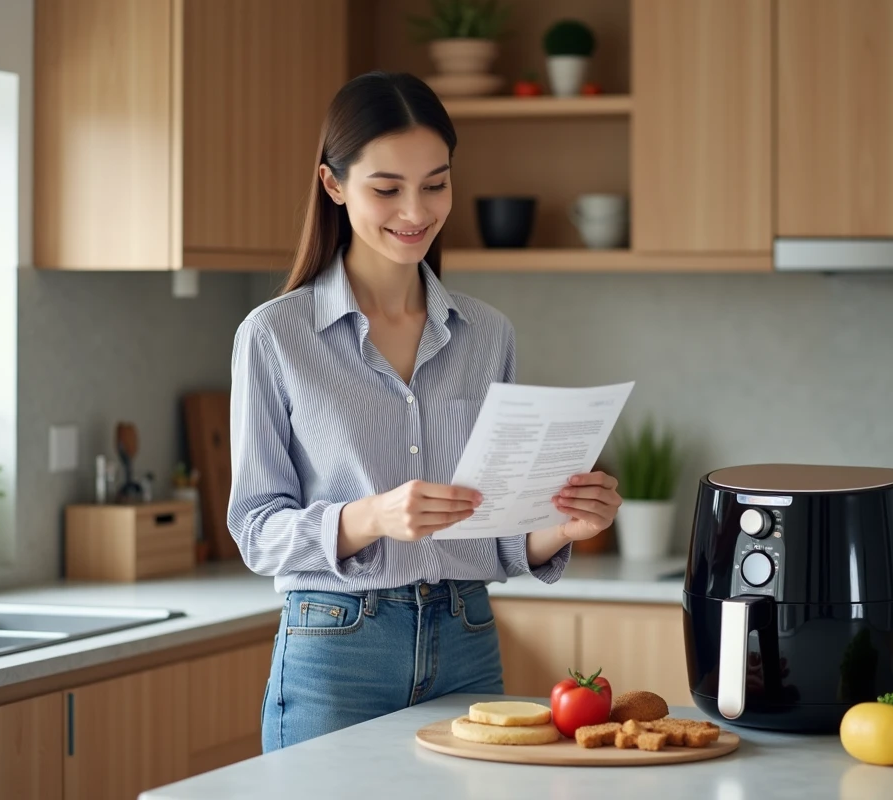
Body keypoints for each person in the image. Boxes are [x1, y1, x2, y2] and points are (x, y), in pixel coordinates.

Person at [226, 71, 623, 753]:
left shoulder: (488, 334)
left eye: (435, 184)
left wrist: (561, 526)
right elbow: (257, 530)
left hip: (466, 638)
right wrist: (372, 516)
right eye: (387, 189)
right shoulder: (274, 336)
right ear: (333, 184)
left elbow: (494, 533)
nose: (416, 210)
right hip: (336, 647)